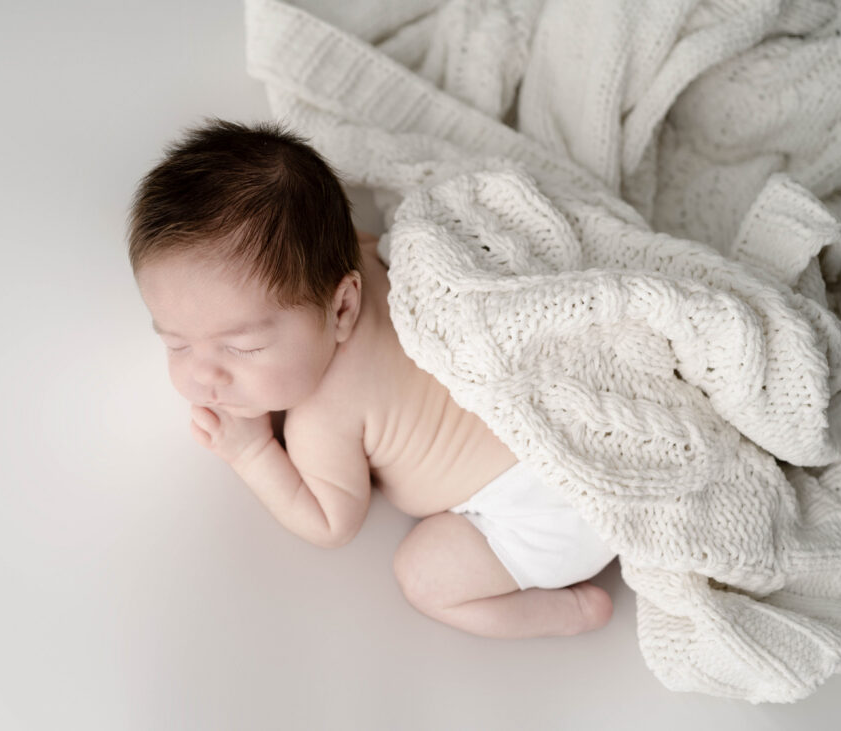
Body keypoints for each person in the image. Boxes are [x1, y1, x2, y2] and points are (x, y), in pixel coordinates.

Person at [128, 118, 616, 639]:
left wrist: (251, 452)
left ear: (344, 306)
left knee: (423, 577)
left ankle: (570, 612)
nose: (203, 375)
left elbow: (330, 523)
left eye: (243, 347)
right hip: (584, 423)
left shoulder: (323, 416)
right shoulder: (360, 257)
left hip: (548, 512)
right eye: (175, 342)